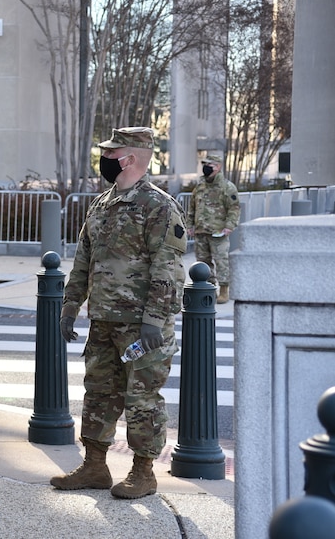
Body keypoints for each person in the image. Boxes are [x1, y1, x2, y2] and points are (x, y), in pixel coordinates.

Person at [52, 127, 187, 499]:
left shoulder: (159, 206)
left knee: (142, 400)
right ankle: (95, 465)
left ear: (129, 159)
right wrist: (69, 306)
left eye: (112, 153)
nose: (105, 159)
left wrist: (153, 322)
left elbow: (167, 267)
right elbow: (83, 260)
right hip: (104, 320)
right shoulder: (101, 204)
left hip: (142, 325)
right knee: (98, 393)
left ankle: (143, 473)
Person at [186, 153, 240, 304]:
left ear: (218, 167)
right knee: (203, 263)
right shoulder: (199, 187)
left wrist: (229, 226)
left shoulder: (227, 187)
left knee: (221, 260)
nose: (206, 167)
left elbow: (234, 209)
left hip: (218, 232)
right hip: (201, 231)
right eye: (205, 164)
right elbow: (192, 209)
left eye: (210, 165)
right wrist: (189, 225)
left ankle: (224, 290)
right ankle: (210, 289)